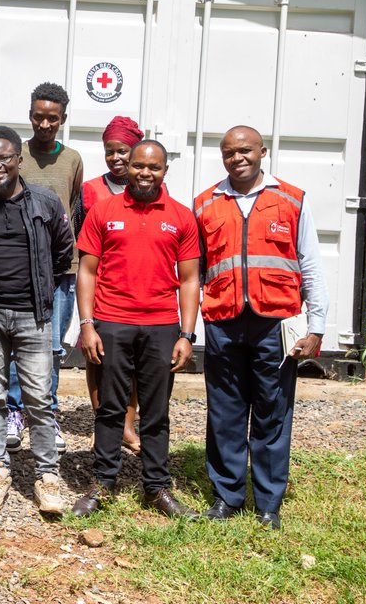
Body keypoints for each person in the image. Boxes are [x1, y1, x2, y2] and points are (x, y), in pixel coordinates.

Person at [195, 126, 328, 531]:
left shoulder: (291, 199)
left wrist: (317, 327)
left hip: (277, 324)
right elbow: (194, 271)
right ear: (222, 157)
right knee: (225, 412)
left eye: (246, 150)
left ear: (262, 152)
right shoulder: (205, 204)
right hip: (224, 322)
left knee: (272, 412)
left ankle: (268, 502)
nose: (238, 158)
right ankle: (227, 495)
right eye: (229, 152)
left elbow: (311, 266)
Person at [71, 140, 199, 519]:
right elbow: (87, 270)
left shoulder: (181, 216)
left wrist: (187, 335)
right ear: (128, 166)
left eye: (154, 167)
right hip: (112, 323)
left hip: (161, 326)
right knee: (110, 408)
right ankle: (102, 484)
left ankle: (157, 488)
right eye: (139, 165)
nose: (145, 173)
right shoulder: (104, 211)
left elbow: (190, 280)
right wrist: (87, 325)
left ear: (164, 171)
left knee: (156, 411)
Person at [0, 126, 73, 516]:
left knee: (39, 399)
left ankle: (47, 476)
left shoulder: (44, 201)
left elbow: (64, 250)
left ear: (18, 159)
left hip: (33, 316)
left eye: (5, 157)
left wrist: (42, 290)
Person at [8, 82, 83, 455]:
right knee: (15, 344)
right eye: (39, 116)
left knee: (51, 347)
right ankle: (14, 410)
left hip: (60, 270)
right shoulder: (16, 155)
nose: (45, 124)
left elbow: (76, 209)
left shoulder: (73, 160)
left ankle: (47, 414)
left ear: (63, 120)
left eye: (52, 118)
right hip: (18, 268)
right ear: (30, 116)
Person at [74, 116, 145, 454]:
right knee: (97, 358)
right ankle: (103, 421)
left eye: (123, 151)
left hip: (138, 283)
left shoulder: (150, 185)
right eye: (110, 152)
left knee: (132, 363)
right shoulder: (90, 190)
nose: (117, 158)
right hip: (102, 284)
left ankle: (128, 425)